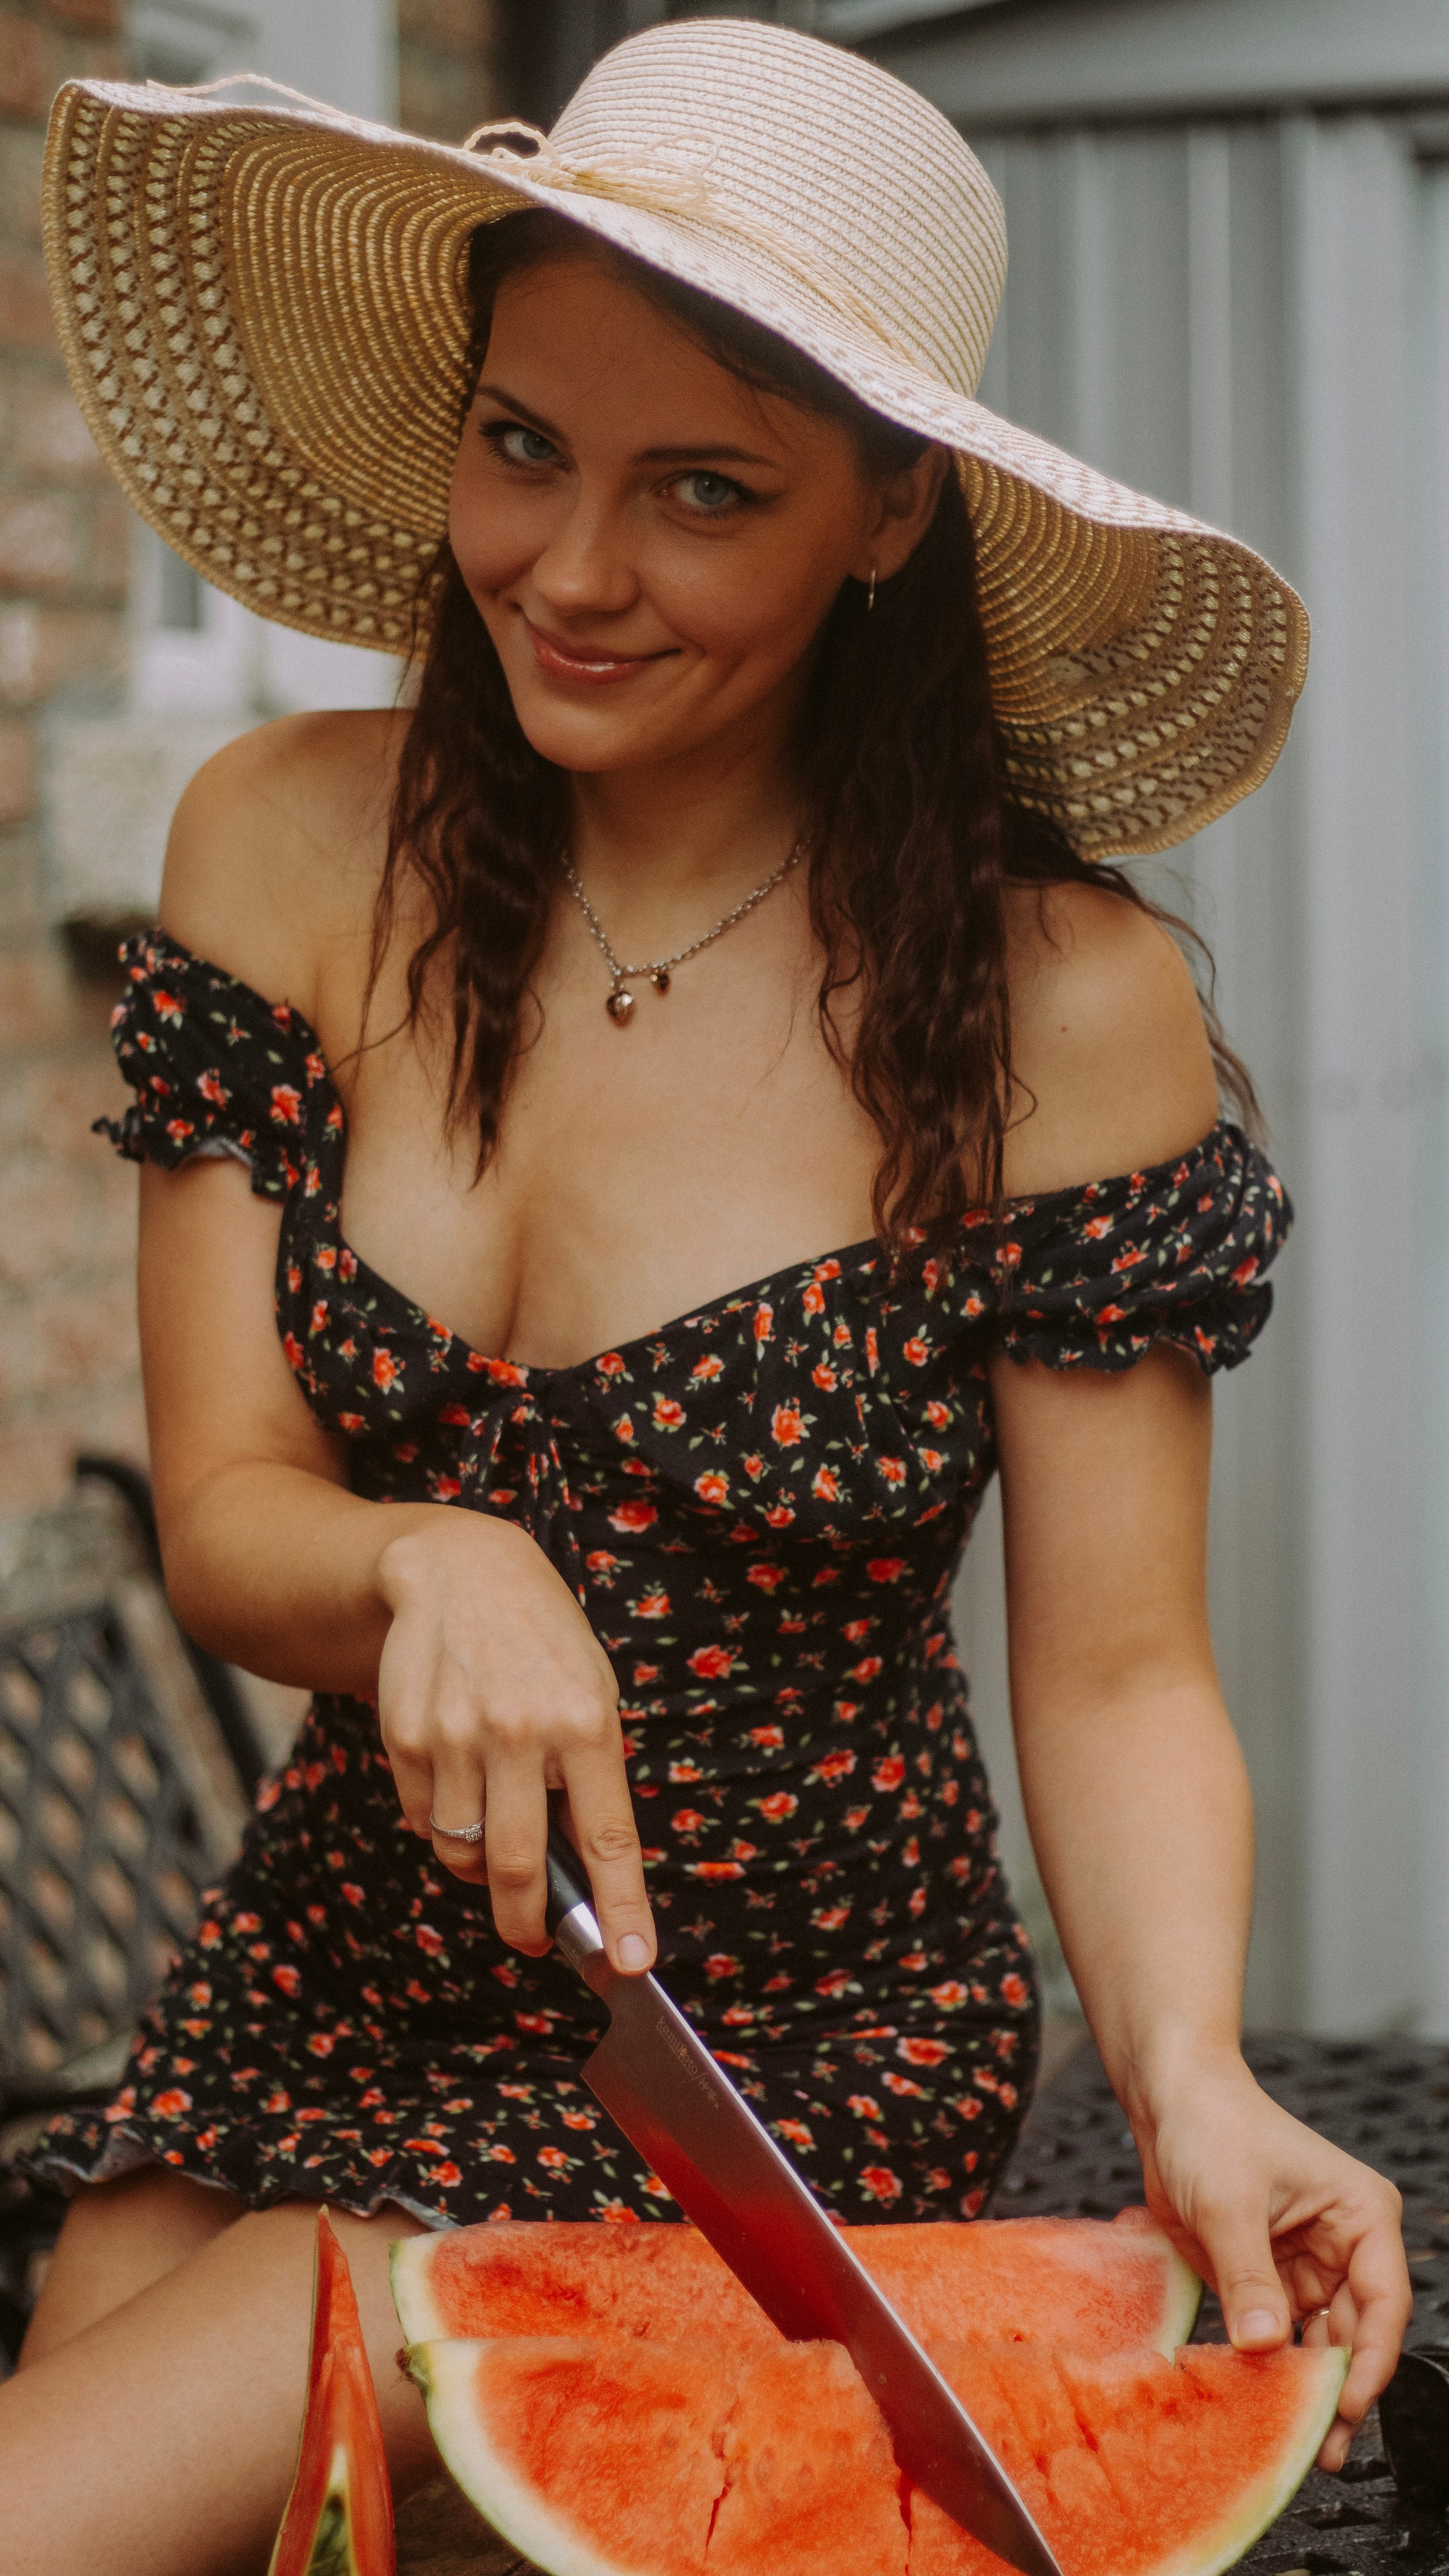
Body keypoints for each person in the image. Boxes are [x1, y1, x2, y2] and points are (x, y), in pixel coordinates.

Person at [4, 19, 1407, 2572]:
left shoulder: (1055, 1006)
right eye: (523, 441)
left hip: (769, 2059)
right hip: (311, 1978)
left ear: (891, 519)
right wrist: (428, 1549)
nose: (568, 567)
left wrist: (1186, 2067)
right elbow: (223, 1508)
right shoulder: (284, 847)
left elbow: (1113, 1669)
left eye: (706, 494)